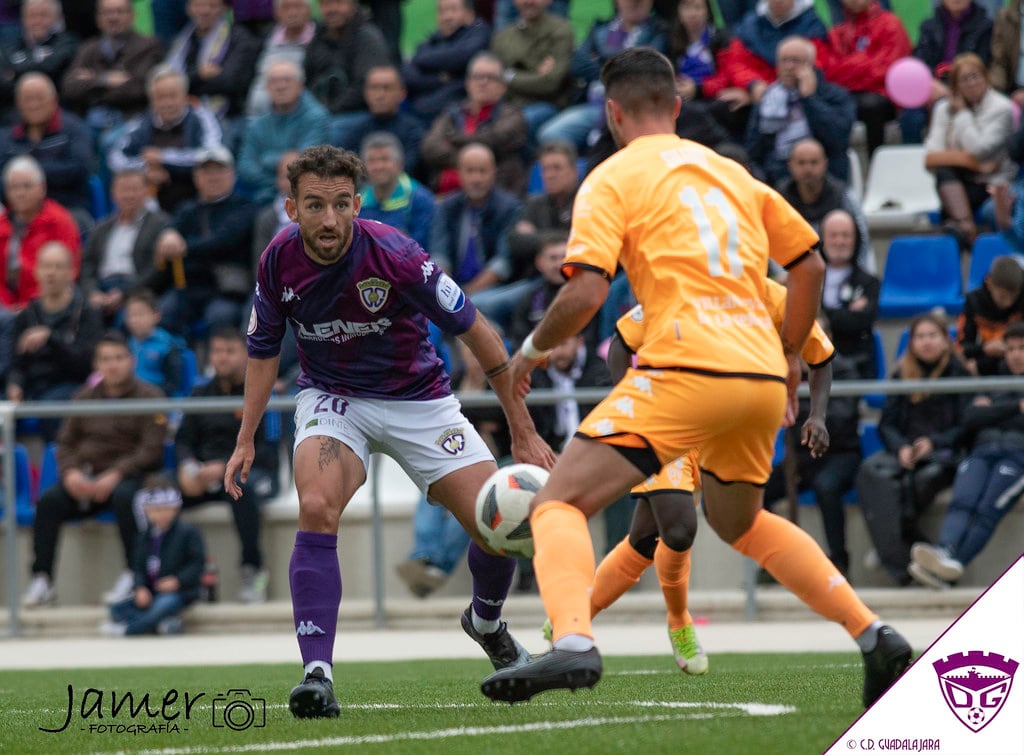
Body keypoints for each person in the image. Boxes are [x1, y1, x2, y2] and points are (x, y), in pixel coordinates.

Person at [483, 47, 910, 708]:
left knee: (558, 502)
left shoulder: (612, 176)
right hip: (762, 376)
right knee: (743, 522)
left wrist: (531, 350)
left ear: (613, 113)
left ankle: (571, 639)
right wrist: (792, 352)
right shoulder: (734, 174)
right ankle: (872, 633)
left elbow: (588, 291)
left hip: (686, 362)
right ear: (678, 108)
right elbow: (811, 267)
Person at [223, 144, 555, 718]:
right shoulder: (277, 259)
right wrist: (246, 438)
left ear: (358, 203)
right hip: (334, 399)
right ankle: (316, 674)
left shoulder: (397, 253)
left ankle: (486, 622)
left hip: (419, 400)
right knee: (317, 504)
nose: (329, 220)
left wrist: (522, 433)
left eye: (341, 205)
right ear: (291, 208)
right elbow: (261, 351)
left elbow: (478, 331)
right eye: (314, 205)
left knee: (498, 522)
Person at [585, 277, 835, 669]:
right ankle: (678, 621)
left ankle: (571, 617)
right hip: (666, 423)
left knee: (644, 539)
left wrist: (817, 415)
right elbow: (621, 344)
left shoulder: (776, 298)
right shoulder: (680, 284)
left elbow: (820, 356)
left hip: (730, 434)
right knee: (680, 529)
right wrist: (630, 400)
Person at [20, 330, 167, 608]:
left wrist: (115, 474)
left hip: (128, 478)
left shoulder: (151, 396)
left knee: (128, 498)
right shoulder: (83, 397)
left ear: (131, 360)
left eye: (119, 358)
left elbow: (151, 450)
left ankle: (132, 576)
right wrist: (71, 473)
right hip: (86, 480)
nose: (113, 365)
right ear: (96, 365)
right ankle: (43, 579)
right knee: (49, 502)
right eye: (106, 359)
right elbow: (64, 443)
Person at [855, 311, 971, 586]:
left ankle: (889, 547)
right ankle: (900, 560)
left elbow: (966, 426)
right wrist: (901, 449)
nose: (926, 342)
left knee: (924, 479)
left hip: (943, 452)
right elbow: (887, 424)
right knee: (870, 472)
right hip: (905, 452)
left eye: (933, 335)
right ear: (912, 342)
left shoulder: (960, 374)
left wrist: (935, 443)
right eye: (920, 336)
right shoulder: (901, 374)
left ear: (945, 340)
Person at [909, 321, 1024, 589]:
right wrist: (1016, 408)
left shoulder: (991, 391)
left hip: (1017, 458)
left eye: (1022, 348)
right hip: (982, 452)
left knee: (987, 509)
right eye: (1011, 349)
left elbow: (985, 415)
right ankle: (944, 552)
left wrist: (993, 410)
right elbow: (971, 417)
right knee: (962, 501)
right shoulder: (991, 380)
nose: (1016, 354)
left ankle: (952, 566)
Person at [178, 326, 278, 603]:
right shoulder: (200, 393)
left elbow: (269, 451)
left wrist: (224, 467)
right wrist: (187, 467)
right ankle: (169, 576)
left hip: (253, 472)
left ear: (246, 355)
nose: (221, 358)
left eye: (229, 352)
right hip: (205, 474)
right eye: (216, 352)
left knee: (241, 489)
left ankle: (253, 570)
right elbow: (183, 440)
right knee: (154, 492)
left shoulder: (261, 392)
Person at [153, 145, 258, 336]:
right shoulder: (187, 209)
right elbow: (170, 232)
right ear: (195, 177)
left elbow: (225, 240)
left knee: (219, 316)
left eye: (219, 170)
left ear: (232, 174)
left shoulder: (245, 207)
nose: (213, 177)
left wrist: (184, 246)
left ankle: (217, 366)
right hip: (188, 287)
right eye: (206, 171)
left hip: (227, 290)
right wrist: (168, 234)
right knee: (161, 314)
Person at [536, 0, 668, 152]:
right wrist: (614, 68)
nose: (634, 3)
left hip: (635, 109)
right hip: (595, 106)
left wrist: (601, 62)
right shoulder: (601, 29)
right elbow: (577, 62)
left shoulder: (659, 31)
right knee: (551, 134)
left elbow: (641, 69)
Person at [5, 241, 102, 441]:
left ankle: (56, 468)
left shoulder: (86, 313)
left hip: (70, 385)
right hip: (32, 387)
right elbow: (15, 362)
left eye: (58, 267)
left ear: (71, 272)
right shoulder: (26, 315)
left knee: (52, 406)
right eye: (47, 266)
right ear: (37, 271)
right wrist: (15, 383)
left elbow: (86, 364)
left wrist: (50, 338)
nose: (52, 273)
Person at [924, 53, 1015, 250]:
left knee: (947, 188)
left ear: (986, 77)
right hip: (961, 179)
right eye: (965, 79)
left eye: (976, 76)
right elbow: (931, 156)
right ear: (956, 86)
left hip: (993, 184)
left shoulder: (1002, 108)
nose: (972, 83)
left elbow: (979, 149)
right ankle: (968, 228)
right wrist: (977, 165)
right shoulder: (943, 108)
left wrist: (963, 114)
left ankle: (962, 229)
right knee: (944, 173)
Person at [429, 142, 524, 326]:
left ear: (494, 173)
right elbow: (439, 255)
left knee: (478, 306)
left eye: (482, 171)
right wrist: (450, 293)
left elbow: (502, 264)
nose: (476, 178)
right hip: (452, 288)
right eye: (470, 171)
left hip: (494, 289)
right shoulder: (447, 207)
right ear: (459, 173)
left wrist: (466, 295)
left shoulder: (510, 208)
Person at [108, 65, 224, 214]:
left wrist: (164, 158)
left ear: (185, 96)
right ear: (151, 99)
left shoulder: (201, 118)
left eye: (172, 96)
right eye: (160, 97)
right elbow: (116, 157)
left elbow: (211, 155)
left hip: (193, 199)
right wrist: (145, 169)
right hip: (149, 201)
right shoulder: (141, 123)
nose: (167, 103)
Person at [99, 474, 206, 636]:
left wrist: (178, 581)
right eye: (156, 510)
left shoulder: (187, 532)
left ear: (175, 508)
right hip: (151, 591)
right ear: (147, 510)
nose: (161, 514)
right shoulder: (144, 535)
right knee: (116, 609)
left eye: (166, 509)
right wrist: (140, 587)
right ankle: (162, 625)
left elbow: (197, 563)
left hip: (179, 592)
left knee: (163, 606)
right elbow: (137, 567)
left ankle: (129, 630)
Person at [744, 36, 856, 186]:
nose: (789, 66)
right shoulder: (768, 99)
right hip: (776, 173)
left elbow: (837, 139)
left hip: (824, 177)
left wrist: (809, 99)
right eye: (784, 60)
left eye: (796, 61)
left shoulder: (835, 95)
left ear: (811, 65)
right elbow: (754, 149)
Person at [420, 51, 529, 196]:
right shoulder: (452, 113)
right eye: (477, 76)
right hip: (443, 198)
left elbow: (496, 139)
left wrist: (455, 139)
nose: (483, 82)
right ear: (468, 82)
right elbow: (430, 146)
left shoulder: (512, 114)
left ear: (503, 86)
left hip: (491, 200)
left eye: (490, 78)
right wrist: (471, 159)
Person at [0, 72, 95, 225]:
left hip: (66, 207)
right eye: (27, 99)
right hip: (16, 211)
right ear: (18, 103)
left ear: (54, 99)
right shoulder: (7, 135)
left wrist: (32, 171)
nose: (33, 104)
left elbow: (79, 169)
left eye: (39, 98)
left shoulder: (74, 130)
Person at [80, 169, 171, 326]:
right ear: (113, 193)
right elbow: (87, 264)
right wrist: (92, 292)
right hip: (102, 287)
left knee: (129, 319)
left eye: (134, 189)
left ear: (146, 192)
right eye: (123, 190)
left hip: (138, 290)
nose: (129, 195)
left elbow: (157, 269)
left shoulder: (160, 224)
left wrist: (124, 294)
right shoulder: (101, 228)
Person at [60, 0, 164, 135]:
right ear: (98, 18)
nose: (113, 17)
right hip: (87, 121)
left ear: (132, 15)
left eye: (119, 11)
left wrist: (91, 84)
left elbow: (140, 88)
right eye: (107, 12)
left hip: (130, 120)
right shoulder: (87, 48)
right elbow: (69, 87)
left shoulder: (149, 46)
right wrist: (104, 79)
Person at [236, 57, 330, 206]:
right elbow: (245, 166)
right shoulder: (257, 124)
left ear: (300, 85)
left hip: (306, 198)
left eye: (287, 80)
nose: (280, 86)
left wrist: (265, 159)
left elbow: (302, 164)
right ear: (267, 87)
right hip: (263, 196)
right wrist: (277, 181)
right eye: (274, 81)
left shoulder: (317, 117)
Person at [823, 0, 910, 158]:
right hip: (850, 94)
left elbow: (888, 68)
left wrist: (850, 68)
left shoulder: (890, 24)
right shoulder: (838, 32)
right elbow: (830, 71)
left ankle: (876, 165)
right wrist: (864, 63)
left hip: (883, 94)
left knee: (872, 105)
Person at [774, 139, 875, 274]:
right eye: (801, 163)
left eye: (814, 162)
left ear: (825, 164)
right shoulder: (779, 199)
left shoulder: (844, 196)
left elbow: (862, 239)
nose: (808, 169)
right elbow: (771, 243)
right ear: (790, 165)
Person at [0, 154, 81, 311]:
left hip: (47, 306)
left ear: (42, 188)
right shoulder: (2, 224)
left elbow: (70, 272)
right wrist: (6, 305)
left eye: (26, 186)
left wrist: (30, 308)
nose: (20, 193)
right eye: (14, 187)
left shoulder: (59, 222)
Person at [303, 0, 390, 139]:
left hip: (356, 115)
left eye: (339, 2)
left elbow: (363, 87)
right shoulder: (317, 38)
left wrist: (326, 112)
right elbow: (307, 80)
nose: (332, 9)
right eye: (325, 4)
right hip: (320, 114)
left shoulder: (367, 37)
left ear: (353, 4)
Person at [490, 0, 576, 139]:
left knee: (516, 124)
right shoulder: (503, 36)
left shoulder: (561, 30)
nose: (529, 2)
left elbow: (550, 83)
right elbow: (494, 79)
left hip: (546, 104)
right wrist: (535, 74)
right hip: (508, 104)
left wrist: (509, 77)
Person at [163, 0, 260, 122]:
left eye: (212, 5)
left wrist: (186, 84)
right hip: (183, 117)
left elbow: (230, 82)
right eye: (198, 5)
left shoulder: (241, 39)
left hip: (228, 117)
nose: (205, 11)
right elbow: (166, 83)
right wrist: (199, 75)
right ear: (188, 8)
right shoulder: (181, 41)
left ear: (223, 8)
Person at [818, 209, 880, 379]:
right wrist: (845, 313)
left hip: (857, 365)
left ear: (856, 240)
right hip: (813, 363)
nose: (840, 241)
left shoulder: (870, 282)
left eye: (846, 235)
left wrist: (822, 316)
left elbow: (861, 321)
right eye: (833, 235)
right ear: (822, 238)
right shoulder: (808, 279)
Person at [336, 65, 426, 174]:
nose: (380, 95)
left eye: (387, 88)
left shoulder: (414, 132)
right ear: (365, 93)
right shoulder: (354, 132)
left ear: (402, 93)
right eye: (374, 88)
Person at [358, 131, 435, 252]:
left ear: (400, 164)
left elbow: (423, 249)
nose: (378, 166)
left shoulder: (419, 198)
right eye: (372, 161)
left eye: (385, 159)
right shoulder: (358, 201)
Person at [0, 0, 78, 113]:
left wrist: (14, 73)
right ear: (23, 19)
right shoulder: (10, 46)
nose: (37, 21)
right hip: (14, 109)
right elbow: (2, 81)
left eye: (43, 15)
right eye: (32, 15)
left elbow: (52, 68)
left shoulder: (67, 42)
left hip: (58, 110)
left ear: (57, 17)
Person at [244, 0, 316, 118]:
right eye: (286, 7)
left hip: (296, 116)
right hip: (253, 114)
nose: (292, 13)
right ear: (276, 12)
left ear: (309, 10)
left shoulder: (320, 38)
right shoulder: (265, 37)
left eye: (298, 7)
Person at [956, 255, 1024, 376]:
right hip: (988, 360)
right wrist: (984, 349)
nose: (1008, 303)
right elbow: (962, 346)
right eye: (1002, 297)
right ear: (990, 284)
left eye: (1013, 297)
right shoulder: (974, 301)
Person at [124, 287, 185, 398]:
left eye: (140, 314)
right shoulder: (125, 345)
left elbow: (173, 384)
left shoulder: (168, 345)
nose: (134, 320)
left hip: (157, 401)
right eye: (130, 315)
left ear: (156, 316)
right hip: (129, 400)